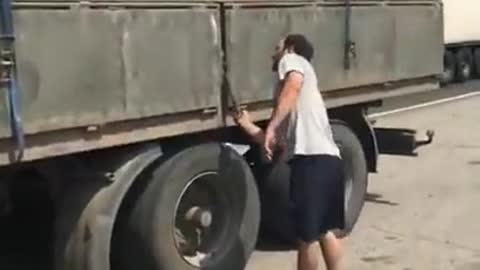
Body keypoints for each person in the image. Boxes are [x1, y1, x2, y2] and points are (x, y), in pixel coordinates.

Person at [233, 34, 345, 270]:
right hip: (328, 160)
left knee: (306, 236)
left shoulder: (293, 60)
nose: (273, 54)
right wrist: (247, 124)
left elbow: (293, 85)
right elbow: (274, 144)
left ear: (290, 48)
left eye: (276, 47)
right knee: (322, 230)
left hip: (312, 161)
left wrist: (272, 125)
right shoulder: (289, 101)